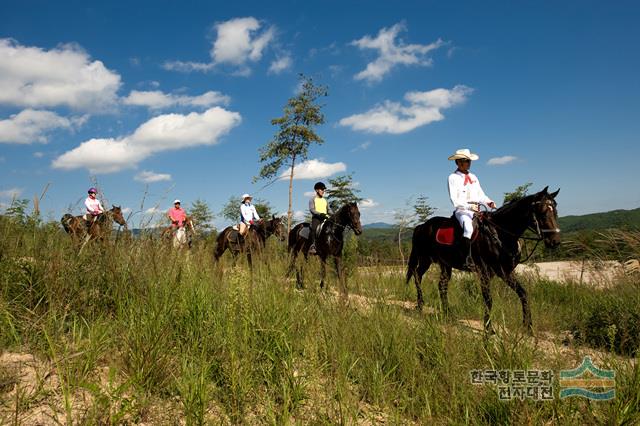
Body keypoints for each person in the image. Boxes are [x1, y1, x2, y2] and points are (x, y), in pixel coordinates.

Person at [447, 149, 496, 270]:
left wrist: (488, 202)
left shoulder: (473, 177)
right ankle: (466, 258)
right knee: (468, 228)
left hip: (477, 210)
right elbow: (454, 200)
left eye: (469, 161)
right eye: (466, 161)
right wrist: (469, 206)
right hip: (462, 210)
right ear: (458, 162)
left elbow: (481, 195)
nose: (469, 163)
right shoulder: (452, 177)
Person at [308, 181, 331, 254]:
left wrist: (333, 215)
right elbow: (312, 209)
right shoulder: (312, 199)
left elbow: (329, 210)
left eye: (324, 189)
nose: (323, 191)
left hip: (325, 219)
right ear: (317, 190)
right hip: (317, 218)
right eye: (322, 189)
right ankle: (313, 246)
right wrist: (320, 214)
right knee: (314, 228)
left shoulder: (325, 200)